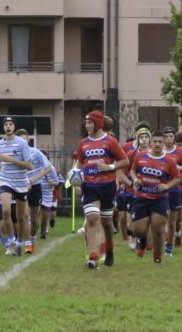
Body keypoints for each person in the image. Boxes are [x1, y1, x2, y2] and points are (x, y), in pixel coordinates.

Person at [71, 110, 128, 269]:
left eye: (90, 122)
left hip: (107, 185)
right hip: (89, 185)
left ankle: (109, 249)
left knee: (107, 222)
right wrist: (74, 174)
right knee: (92, 218)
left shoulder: (110, 141)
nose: (87, 125)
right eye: (86, 122)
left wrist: (110, 166)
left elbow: (125, 160)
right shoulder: (83, 143)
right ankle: (93, 257)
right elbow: (79, 163)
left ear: (97, 124)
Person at [130, 130, 181, 264]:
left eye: (160, 142)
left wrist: (167, 186)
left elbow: (177, 178)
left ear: (164, 143)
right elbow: (133, 170)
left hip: (159, 198)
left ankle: (157, 258)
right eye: (155, 141)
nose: (157, 144)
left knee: (158, 229)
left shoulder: (169, 160)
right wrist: (135, 179)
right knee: (139, 230)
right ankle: (142, 241)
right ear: (151, 142)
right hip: (141, 197)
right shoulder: (140, 156)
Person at [0, 117, 32, 256]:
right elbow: (1, 162)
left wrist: (10, 159)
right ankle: (11, 240)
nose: (8, 126)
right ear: (3, 127)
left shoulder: (22, 143)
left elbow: (29, 165)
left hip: (21, 182)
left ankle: (20, 242)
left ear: (14, 127)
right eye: (6, 124)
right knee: (5, 211)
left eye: (10, 124)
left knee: (21, 216)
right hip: (5, 180)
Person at [15, 129, 52, 254]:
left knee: (34, 218)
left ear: (28, 140)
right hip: (21, 187)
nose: (22, 141)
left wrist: (35, 178)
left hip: (35, 186)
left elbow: (48, 168)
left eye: (24, 139)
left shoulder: (36, 153)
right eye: (19, 139)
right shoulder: (15, 154)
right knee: (24, 216)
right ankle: (27, 243)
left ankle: (31, 237)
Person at [162, 126, 182, 257]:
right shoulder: (158, 151)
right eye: (166, 136)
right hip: (165, 188)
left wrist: (179, 167)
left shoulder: (181, 152)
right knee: (167, 217)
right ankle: (168, 239)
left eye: (171, 136)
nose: (169, 139)